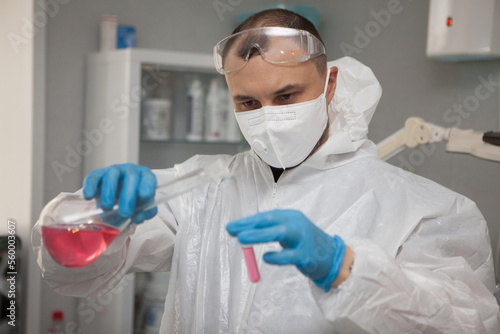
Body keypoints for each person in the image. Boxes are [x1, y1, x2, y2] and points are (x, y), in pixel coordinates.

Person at [32, 8, 500, 333]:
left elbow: (468, 324)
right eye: (248, 102)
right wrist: (97, 216)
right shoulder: (201, 187)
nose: (268, 115)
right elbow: (73, 276)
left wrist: (347, 270)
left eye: (287, 96)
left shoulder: (428, 208)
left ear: (329, 83)